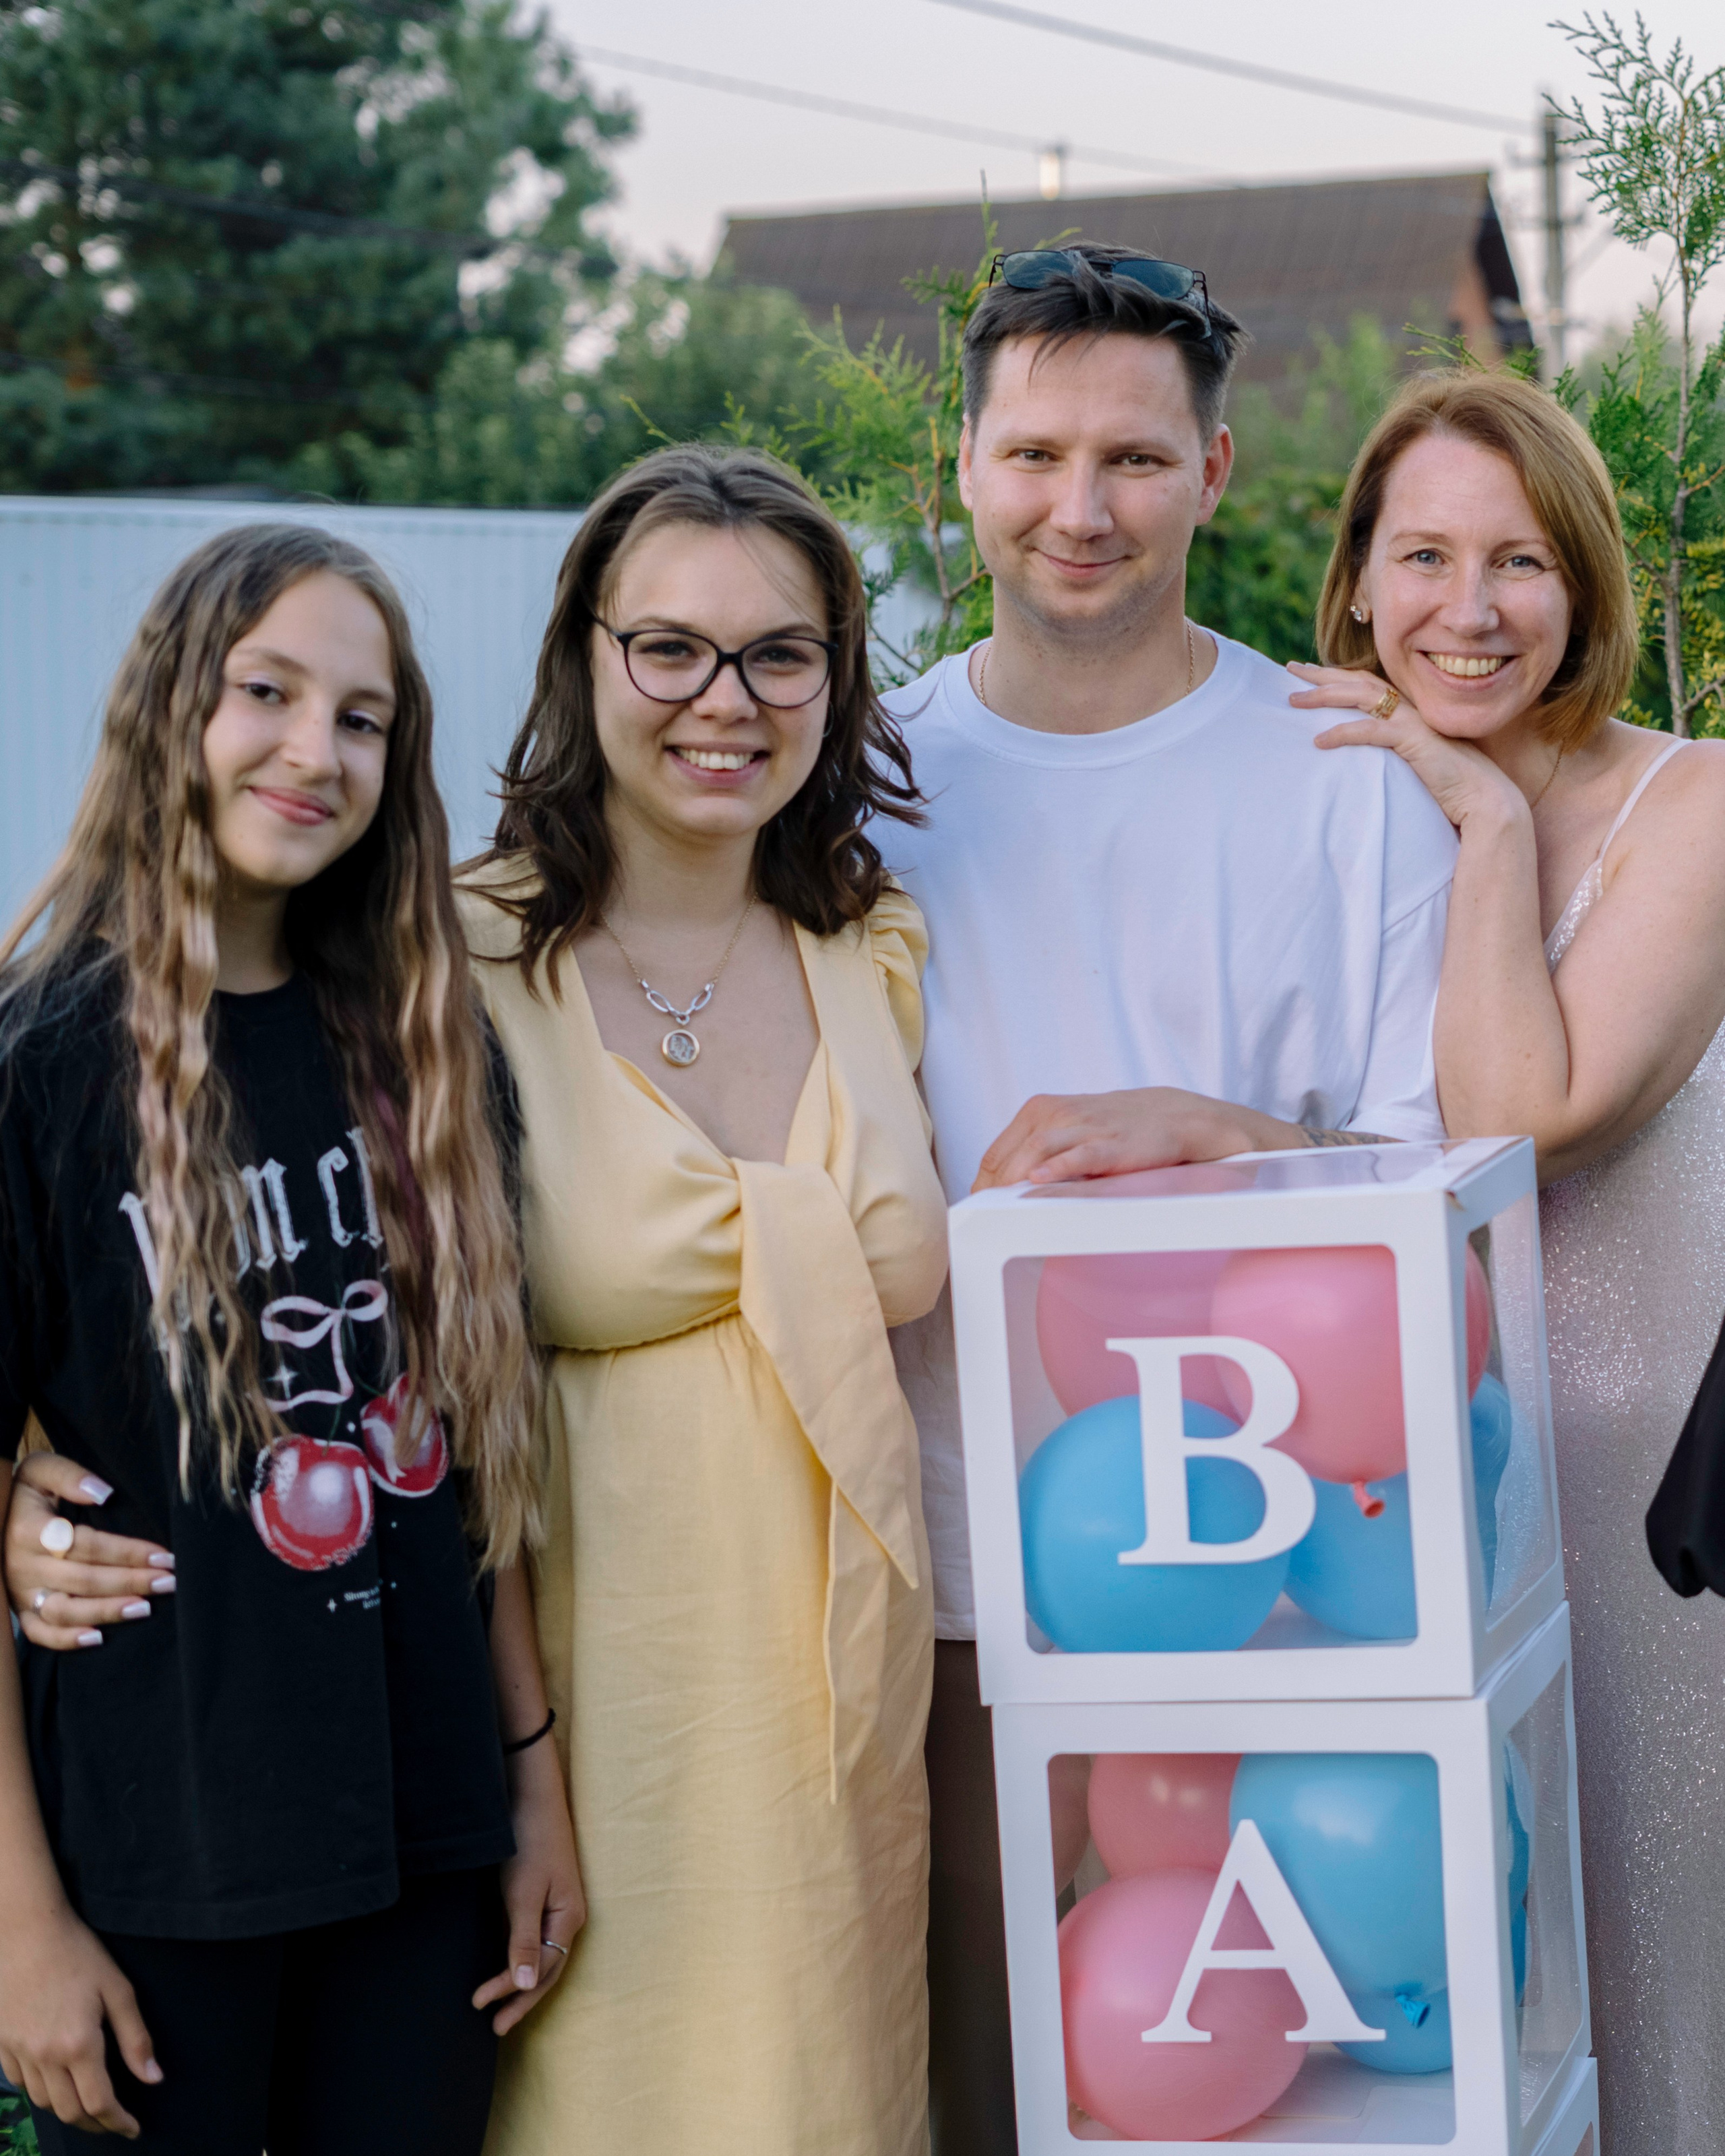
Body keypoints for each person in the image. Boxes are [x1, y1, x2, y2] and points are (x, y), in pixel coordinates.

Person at [878, 244, 1460, 2153]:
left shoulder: (1342, 775)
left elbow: (1435, 1173)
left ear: (1212, 471)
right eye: (1033, 454)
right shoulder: (865, 783)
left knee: (1262, 2094)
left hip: (1286, 1576)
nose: (1080, 507)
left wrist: (1212, 1132)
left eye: (1133, 458)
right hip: (960, 1569)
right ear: (962, 467)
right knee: (989, 2077)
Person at [0, 526, 580, 2151]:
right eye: (268, 691)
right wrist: (19, 1922)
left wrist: (532, 1788)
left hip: (425, 1848)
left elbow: (474, 1461)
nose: (315, 750)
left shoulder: (424, 1048)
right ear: (173, 704)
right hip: (159, 1865)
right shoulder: (41, 1065)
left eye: (362, 717)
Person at [454, 447, 949, 2152]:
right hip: (588, 1736)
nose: (723, 701)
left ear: (834, 676)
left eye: (777, 653)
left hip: (840, 1751)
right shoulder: (456, 962)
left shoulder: (871, 946)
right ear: (583, 656)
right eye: (667, 646)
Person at [1286, 367, 1725, 2156]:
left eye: (1518, 561)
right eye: (1422, 557)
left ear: (1584, 583)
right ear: (1356, 578)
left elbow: (1514, 1118)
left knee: (1658, 1988)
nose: (1465, 611)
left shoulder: (1692, 805)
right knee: (1451, 2006)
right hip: (1403, 1491)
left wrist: (1479, 821)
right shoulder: (1342, 792)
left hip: (1643, 1504)